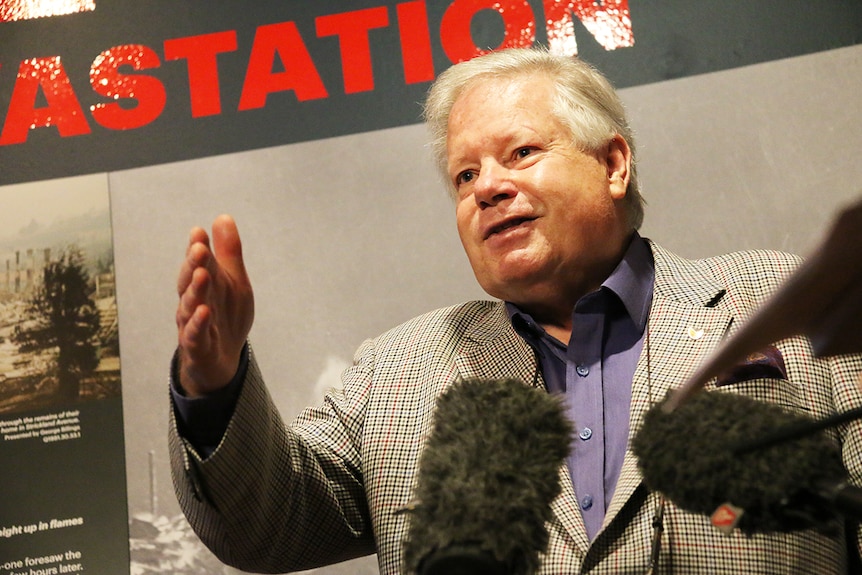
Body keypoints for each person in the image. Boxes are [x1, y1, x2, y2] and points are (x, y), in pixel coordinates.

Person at [169, 47, 862, 574]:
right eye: (464, 175)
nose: (487, 188)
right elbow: (267, 521)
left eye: (520, 153)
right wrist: (214, 384)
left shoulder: (778, 299)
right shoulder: (395, 372)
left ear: (614, 163)